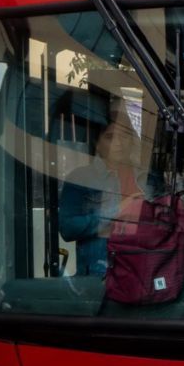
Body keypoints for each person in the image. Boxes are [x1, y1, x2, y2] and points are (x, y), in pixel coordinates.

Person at [59, 109, 146, 277]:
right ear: (97, 143)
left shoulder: (148, 178)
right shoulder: (81, 178)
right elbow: (68, 229)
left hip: (143, 272)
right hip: (101, 278)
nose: (119, 143)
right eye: (110, 137)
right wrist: (117, 211)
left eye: (125, 135)